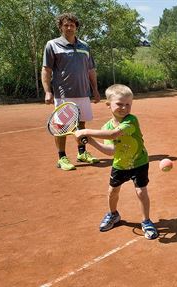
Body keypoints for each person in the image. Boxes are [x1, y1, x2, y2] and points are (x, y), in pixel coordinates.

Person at [74, 84, 158, 239]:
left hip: (139, 162)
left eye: (128, 104)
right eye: (119, 104)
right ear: (108, 105)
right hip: (120, 164)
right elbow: (110, 151)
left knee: (141, 191)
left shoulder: (131, 121)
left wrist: (85, 131)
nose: (124, 108)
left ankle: (146, 221)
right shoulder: (106, 126)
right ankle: (113, 214)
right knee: (112, 192)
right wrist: (91, 141)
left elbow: (114, 134)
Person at [41, 13, 101, 171]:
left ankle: (82, 153)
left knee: (81, 124)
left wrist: (95, 90)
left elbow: (91, 70)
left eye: (72, 25)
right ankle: (61, 157)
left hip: (83, 92)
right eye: (66, 25)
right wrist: (48, 91)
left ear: (76, 27)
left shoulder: (85, 46)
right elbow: (46, 70)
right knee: (61, 127)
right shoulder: (52, 45)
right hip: (63, 94)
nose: (69, 27)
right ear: (60, 27)